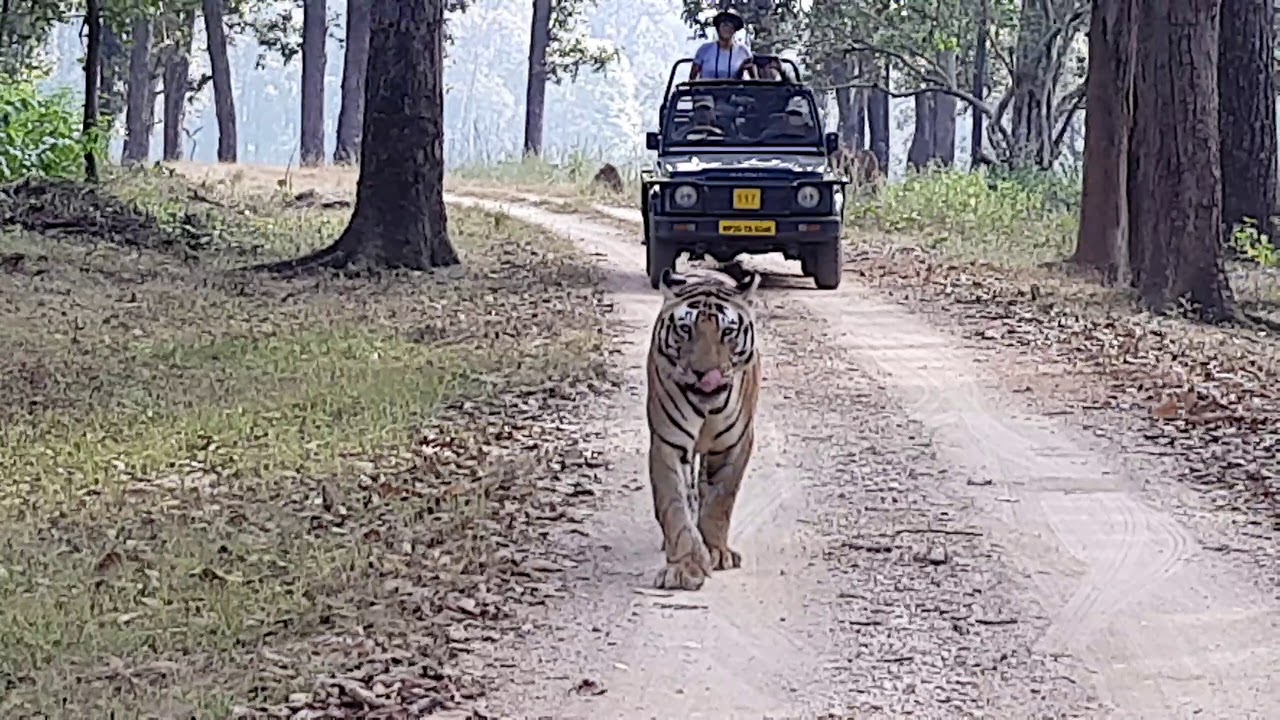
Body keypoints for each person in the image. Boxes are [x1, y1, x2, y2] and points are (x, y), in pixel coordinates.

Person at [690, 10, 757, 81]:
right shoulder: (704, 49)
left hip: (733, 91)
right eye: (723, 25)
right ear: (718, 28)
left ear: (734, 30)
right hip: (706, 91)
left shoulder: (743, 51)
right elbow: (692, 78)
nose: (726, 29)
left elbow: (755, 80)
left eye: (730, 26)